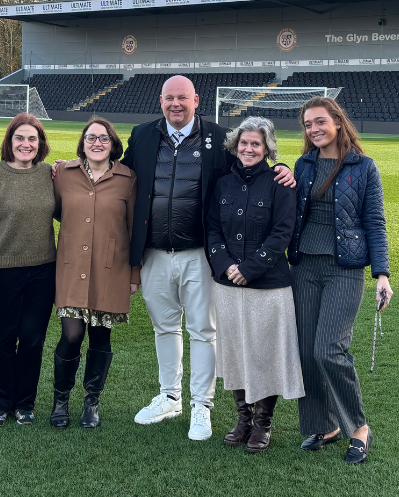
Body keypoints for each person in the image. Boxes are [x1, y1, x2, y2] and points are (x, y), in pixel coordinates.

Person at [121, 75, 295, 441]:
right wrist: (75, 168)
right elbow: (120, 176)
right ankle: (170, 396)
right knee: (163, 327)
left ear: (196, 100)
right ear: (161, 100)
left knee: (203, 331)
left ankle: (202, 405)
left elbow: (251, 167)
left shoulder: (219, 138)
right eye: (169, 98)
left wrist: (284, 169)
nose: (176, 105)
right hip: (153, 252)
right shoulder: (142, 135)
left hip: (200, 254)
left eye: (182, 98)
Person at [288, 97, 393, 464]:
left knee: (328, 349)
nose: (313, 129)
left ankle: (358, 427)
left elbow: (375, 224)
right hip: (303, 267)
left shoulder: (363, 167)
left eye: (319, 121)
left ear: (337, 121)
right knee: (304, 351)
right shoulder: (303, 165)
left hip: (344, 269)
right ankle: (325, 425)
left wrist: (382, 274)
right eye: (307, 124)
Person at [206, 116, 305, 453]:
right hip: (228, 285)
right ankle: (243, 419)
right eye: (244, 143)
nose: (248, 149)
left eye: (256, 144)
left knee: (264, 354)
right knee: (234, 352)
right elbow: (212, 231)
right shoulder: (221, 184)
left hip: (269, 286)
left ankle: (263, 423)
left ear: (267, 149)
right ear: (235, 146)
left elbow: (282, 234)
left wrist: (249, 268)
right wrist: (225, 265)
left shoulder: (281, 184)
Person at [50, 117, 139, 430]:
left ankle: (92, 401)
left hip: (111, 268)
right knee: (71, 334)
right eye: (91, 138)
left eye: (104, 138)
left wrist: (134, 274)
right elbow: (58, 211)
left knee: (101, 335)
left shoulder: (128, 178)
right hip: (72, 266)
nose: (97, 143)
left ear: (113, 143)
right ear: (82, 142)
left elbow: (133, 228)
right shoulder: (62, 173)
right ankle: (61, 399)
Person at [0, 113, 57, 426]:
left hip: (43, 272)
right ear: (9, 141)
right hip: (4, 271)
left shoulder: (49, 174)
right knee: (5, 339)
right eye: (20, 138)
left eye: (32, 138)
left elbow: (69, 211)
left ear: (40, 143)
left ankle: (25, 403)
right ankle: (0, 403)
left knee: (33, 340)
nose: (26, 143)